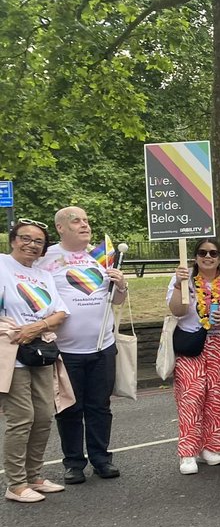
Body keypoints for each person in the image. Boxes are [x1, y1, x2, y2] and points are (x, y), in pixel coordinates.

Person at [40, 207, 127, 483]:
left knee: (100, 406)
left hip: (102, 347)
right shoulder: (46, 258)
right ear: (60, 228)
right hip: (66, 351)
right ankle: (74, 463)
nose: (84, 225)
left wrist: (122, 286)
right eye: (76, 221)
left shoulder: (100, 256)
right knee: (69, 408)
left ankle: (101, 459)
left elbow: (116, 301)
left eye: (87, 220)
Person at [1, 219, 70, 503]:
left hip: (39, 351)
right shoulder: (2, 265)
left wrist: (36, 327)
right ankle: (15, 484)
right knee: (21, 419)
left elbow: (60, 313)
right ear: (13, 239)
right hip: (11, 353)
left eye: (38, 241)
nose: (31, 244)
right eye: (25, 238)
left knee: (43, 417)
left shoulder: (44, 276)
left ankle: (34, 476)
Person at [168, 240, 220, 474]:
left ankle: (210, 447)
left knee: (218, 400)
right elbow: (177, 311)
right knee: (191, 399)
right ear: (196, 257)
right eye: (202, 253)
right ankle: (188, 453)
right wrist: (180, 285)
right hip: (192, 344)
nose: (208, 256)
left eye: (213, 253)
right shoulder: (184, 280)